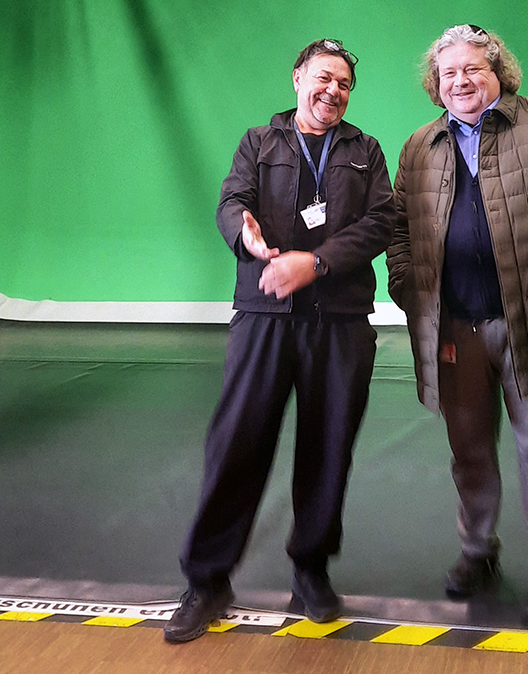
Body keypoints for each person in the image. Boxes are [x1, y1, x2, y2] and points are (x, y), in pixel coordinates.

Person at [165, 39, 395, 644]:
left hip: (339, 320)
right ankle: (207, 579)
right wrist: (241, 232)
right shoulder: (258, 142)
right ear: (297, 79)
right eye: (323, 78)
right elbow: (232, 201)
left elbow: (381, 222)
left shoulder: (365, 151)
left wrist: (314, 264)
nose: (333, 91)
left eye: (344, 84)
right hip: (263, 314)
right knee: (236, 444)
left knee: (328, 446)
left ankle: (310, 569)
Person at [387, 24, 528, 627]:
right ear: (435, 84)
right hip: (454, 327)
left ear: (499, 73)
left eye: (473, 69)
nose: (460, 81)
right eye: (448, 73)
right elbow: (399, 228)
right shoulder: (418, 146)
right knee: (468, 451)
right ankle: (478, 551)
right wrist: (407, 287)